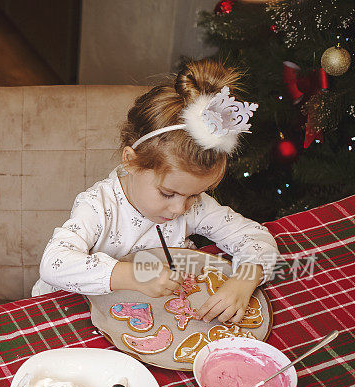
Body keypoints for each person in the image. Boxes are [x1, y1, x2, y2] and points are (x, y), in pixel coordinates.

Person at [34, 58, 278, 324]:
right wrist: (133, 276)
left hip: (144, 320)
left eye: (195, 194)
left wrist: (243, 282)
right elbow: (53, 263)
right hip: (67, 316)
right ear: (131, 162)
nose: (179, 209)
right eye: (167, 193)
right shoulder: (98, 206)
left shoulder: (194, 206)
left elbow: (256, 238)